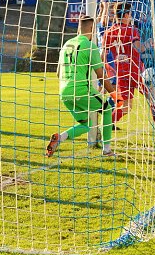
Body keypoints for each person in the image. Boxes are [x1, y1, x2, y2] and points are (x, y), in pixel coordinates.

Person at [46, 15, 116, 158]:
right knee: (107, 109)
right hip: (80, 90)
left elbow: (58, 73)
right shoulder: (90, 46)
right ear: (92, 29)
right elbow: (101, 76)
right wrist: (115, 94)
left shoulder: (66, 45)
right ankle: (107, 150)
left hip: (64, 93)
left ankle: (60, 137)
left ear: (79, 28)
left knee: (86, 124)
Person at [102, 3, 153, 124]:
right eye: (130, 14)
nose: (131, 16)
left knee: (125, 108)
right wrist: (149, 42)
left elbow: (102, 56)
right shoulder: (131, 30)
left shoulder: (108, 32)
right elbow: (139, 48)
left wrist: (109, 70)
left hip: (121, 74)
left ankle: (105, 126)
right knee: (154, 100)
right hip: (136, 72)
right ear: (125, 15)